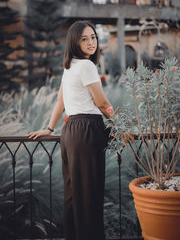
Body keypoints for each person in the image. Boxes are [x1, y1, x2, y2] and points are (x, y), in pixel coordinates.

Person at [28, 20, 113, 240]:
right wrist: (124, 126)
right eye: (84, 39)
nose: (90, 42)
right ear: (75, 42)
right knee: (89, 198)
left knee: (74, 198)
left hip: (70, 131)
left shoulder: (70, 66)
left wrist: (50, 127)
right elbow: (102, 103)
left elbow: (60, 100)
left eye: (93, 37)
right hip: (86, 130)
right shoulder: (86, 66)